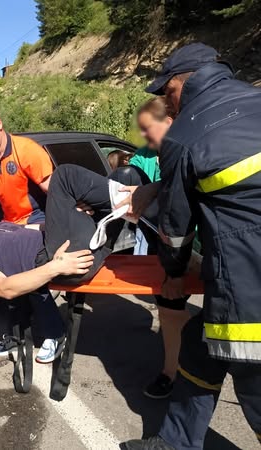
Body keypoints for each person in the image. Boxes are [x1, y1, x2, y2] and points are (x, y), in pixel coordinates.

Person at [121, 43, 261, 450]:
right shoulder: (254, 100)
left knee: (255, 387)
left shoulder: (185, 136)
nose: (167, 104)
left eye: (167, 92)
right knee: (200, 349)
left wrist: (174, 274)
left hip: (250, 286)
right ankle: (174, 443)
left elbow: (176, 230)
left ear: (184, 82)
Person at [0, 162, 148, 357]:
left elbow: (41, 227)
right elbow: (5, 288)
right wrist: (55, 267)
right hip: (61, 257)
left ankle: (154, 211)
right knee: (63, 176)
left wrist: (72, 211)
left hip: (78, 241)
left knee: (125, 176)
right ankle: (142, 209)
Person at [0, 107, 57, 357]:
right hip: (11, 223)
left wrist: (63, 222)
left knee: (31, 272)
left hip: (39, 217)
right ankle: (15, 337)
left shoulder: (27, 150)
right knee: (3, 278)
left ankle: (54, 334)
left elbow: (54, 191)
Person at [127, 97, 193, 400]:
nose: (143, 136)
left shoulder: (188, 149)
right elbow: (132, 188)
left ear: (169, 122)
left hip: (193, 244)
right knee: (169, 308)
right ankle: (171, 372)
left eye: (147, 129)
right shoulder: (144, 156)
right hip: (164, 245)